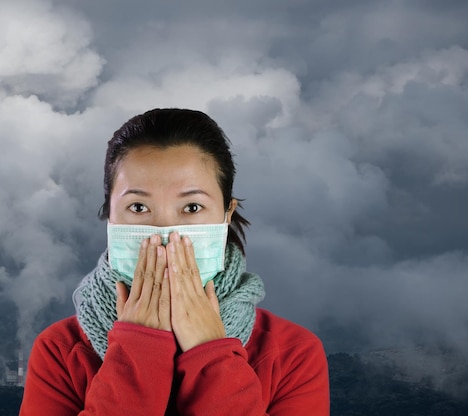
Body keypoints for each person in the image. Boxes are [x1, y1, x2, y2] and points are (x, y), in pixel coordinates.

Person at [19, 108, 329, 415]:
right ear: (110, 216)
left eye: (192, 207)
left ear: (226, 213)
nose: (165, 233)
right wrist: (138, 348)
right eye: (138, 207)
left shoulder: (292, 354)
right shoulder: (60, 350)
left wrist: (211, 353)